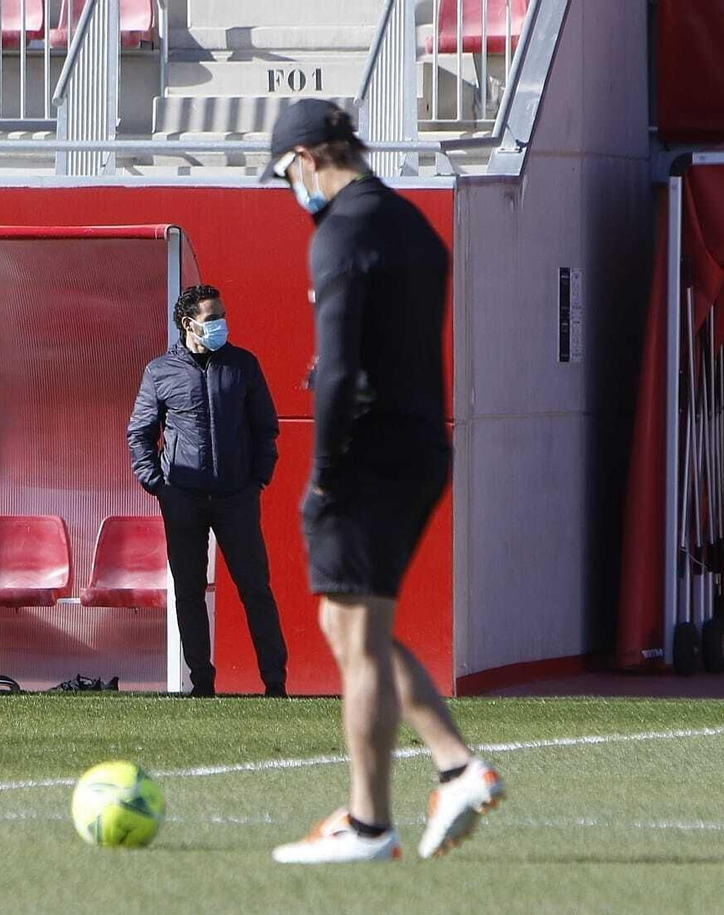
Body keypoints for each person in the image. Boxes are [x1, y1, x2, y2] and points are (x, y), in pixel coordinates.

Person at [263, 100, 503, 863]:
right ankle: (458, 766)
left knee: (356, 641)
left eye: (285, 173)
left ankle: (370, 824)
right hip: (419, 444)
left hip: (368, 454)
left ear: (305, 156)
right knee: (352, 630)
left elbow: (336, 370)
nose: (290, 189)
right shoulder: (411, 222)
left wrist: (326, 470)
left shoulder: (342, 229)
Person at [127, 284, 288, 697]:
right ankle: (202, 683)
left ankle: (275, 683)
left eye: (221, 316)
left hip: (237, 497)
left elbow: (265, 427)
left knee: (255, 588)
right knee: (189, 591)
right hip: (183, 498)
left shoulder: (243, 365)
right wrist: (158, 486)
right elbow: (140, 433)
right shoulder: (159, 371)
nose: (220, 324)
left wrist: (258, 480)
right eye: (211, 318)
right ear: (188, 323)